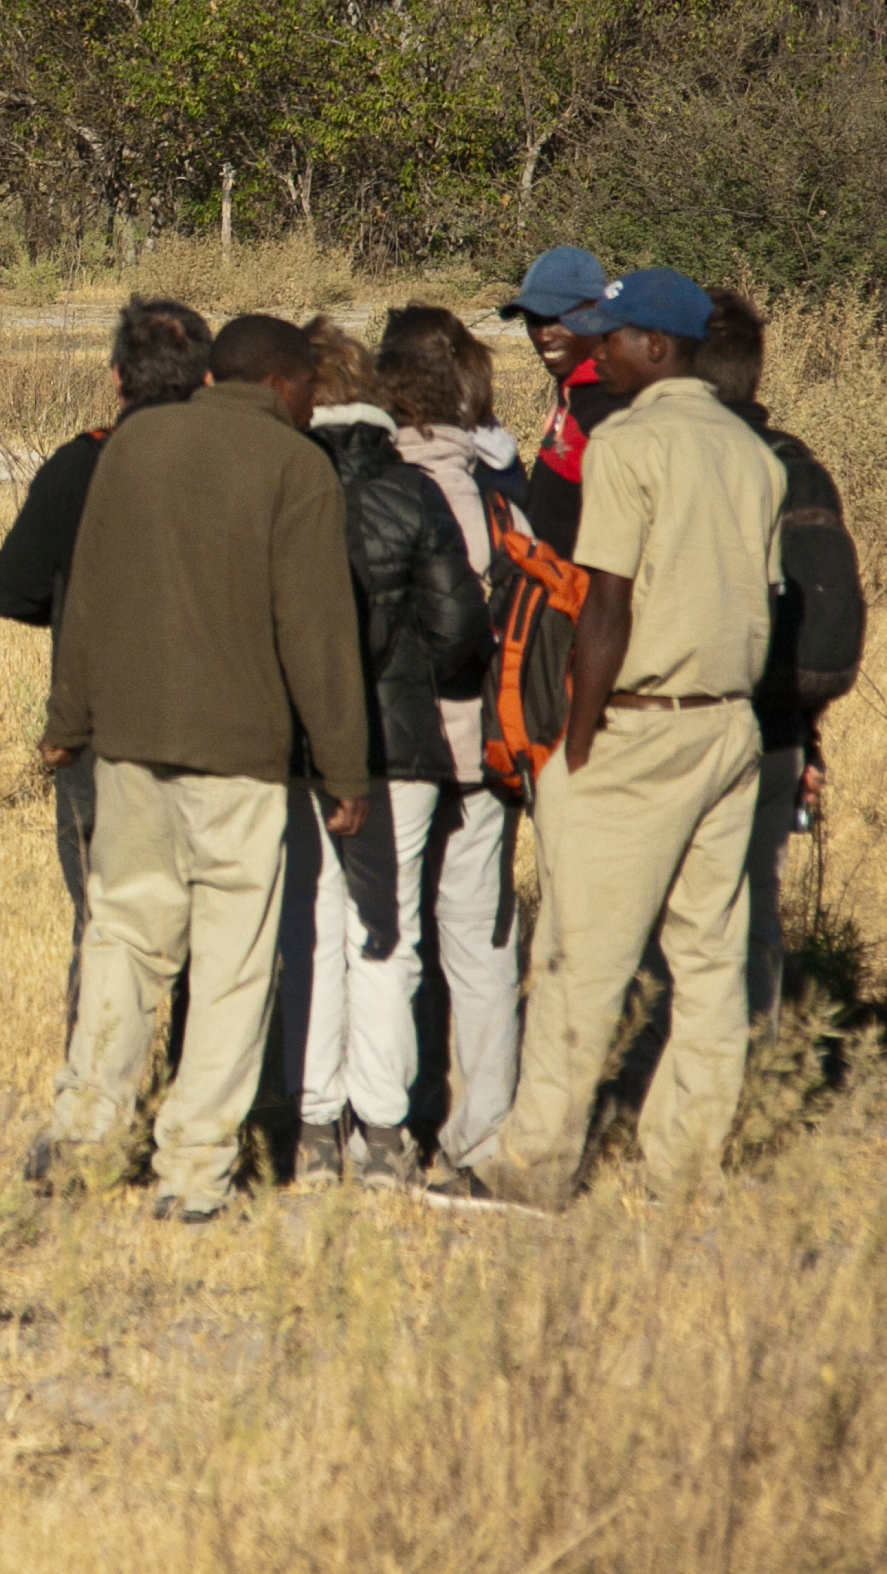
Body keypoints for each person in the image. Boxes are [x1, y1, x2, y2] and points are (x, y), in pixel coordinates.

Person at [433, 270, 784, 1210]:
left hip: (637, 725)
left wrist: (575, 744)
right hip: (728, 724)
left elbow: (606, 610)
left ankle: (534, 1166)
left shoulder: (627, 443)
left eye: (611, 337)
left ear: (656, 348)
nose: (595, 351)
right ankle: (685, 1168)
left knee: (579, 957)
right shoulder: (753, 453)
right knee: (709, 958)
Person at [38, 314, 372, 1223]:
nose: (313, 402)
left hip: (130, 747)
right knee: (228, 964)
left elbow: (90, 592)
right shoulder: (294, 467)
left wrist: (67, 721)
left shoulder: (134, 444)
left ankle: (84, 1138)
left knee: (122, 937)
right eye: (309, 386)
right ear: (277, 382)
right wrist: (346, 771)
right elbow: (315, 633)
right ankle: (191, 1172)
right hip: (239, 761)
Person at [281, 320, 488, 1191]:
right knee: (386, 934)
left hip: (298, 746)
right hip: (399, 748)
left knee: (315, 928)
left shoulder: (286, 483)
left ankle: (313, 1126)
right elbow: (456, 631)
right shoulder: (412, 491)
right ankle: (386, 1133)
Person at [0, 298, 216, 1029]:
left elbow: (11, 589)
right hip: (215, 727)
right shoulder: (239, 463)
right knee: (209, 925)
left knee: (104, 921)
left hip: (98, 725)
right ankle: (191, 1094)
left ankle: (93, 1104)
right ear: (206, 378)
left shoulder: (81, 462)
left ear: (118, 376)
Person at [377, 304, 526, 1171]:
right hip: (492, 738)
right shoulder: (503, 483)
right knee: (480, 939)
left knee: (388, 933)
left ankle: (384, 1124)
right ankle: (487, 1130)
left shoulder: (380, 481)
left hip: (402, 742)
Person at [697, 290, 865, 1022]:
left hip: (692, 727)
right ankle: (752, 1079)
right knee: (755, 914)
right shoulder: (799, 467)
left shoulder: (685, 460)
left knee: (681, 923)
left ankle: (668, 1085)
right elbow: (822, 624)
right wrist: (803, 722)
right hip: (779, 735)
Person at [500, 245, 619, 557]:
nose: (543, 335)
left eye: (557, 318)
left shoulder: (609, 406)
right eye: (533, 320)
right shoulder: (573, 394)